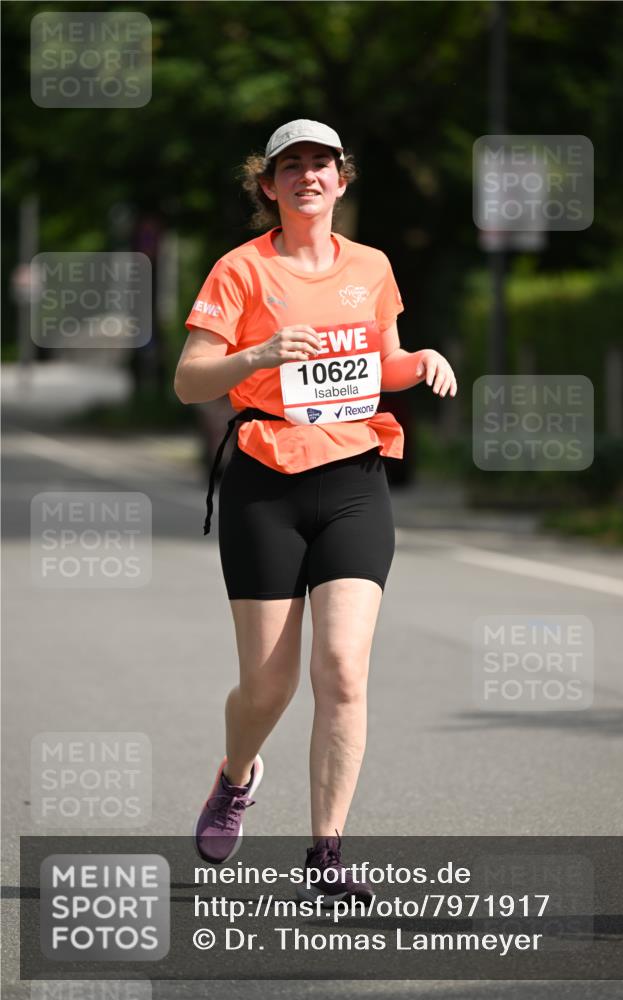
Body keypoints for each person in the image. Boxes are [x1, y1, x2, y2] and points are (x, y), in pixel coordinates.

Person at [174, 119, 457, 906]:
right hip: (266, 482)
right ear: (267, 185)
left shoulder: (371, 267)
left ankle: (327, 854)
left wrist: (420, 361)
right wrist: (255, 356)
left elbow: (383, 360)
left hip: (356, 477)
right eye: (289, 165)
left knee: (342, 669)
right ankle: (235, 779)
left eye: (320, 164)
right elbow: (190, 382)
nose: (307, 176)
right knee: (266, 690)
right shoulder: (239, 271)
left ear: (342, 179)